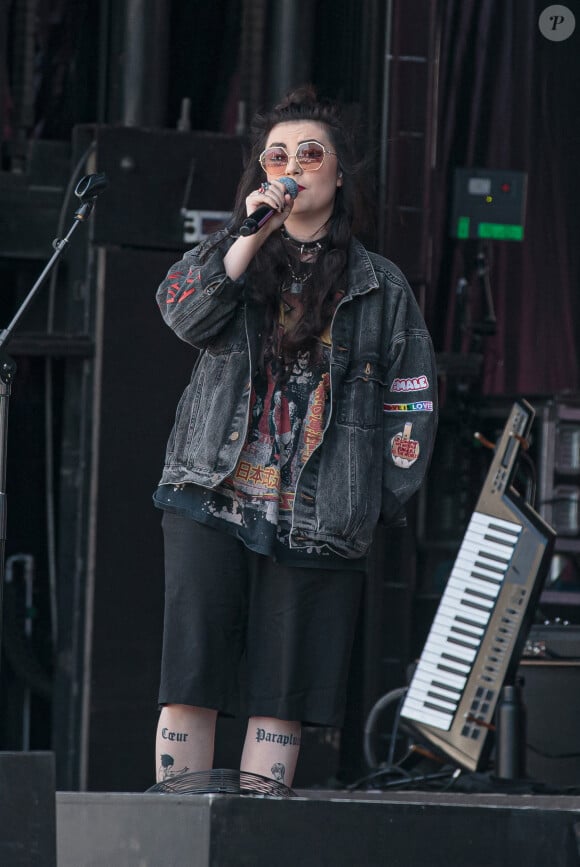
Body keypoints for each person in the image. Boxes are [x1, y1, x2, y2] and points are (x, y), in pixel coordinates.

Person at [153, 85, 438, 789]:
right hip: (211, 495)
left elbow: (414, 403)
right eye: (276, 156)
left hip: (316, 515)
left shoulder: (382, 288)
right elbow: (180, 315)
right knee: (191, 677)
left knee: (282, 696)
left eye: (310, 155)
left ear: (338, 176)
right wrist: (247, 234)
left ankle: (256, 844)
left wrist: (369, 500)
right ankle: (172, 843)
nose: (291, 167)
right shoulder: (237, 254)